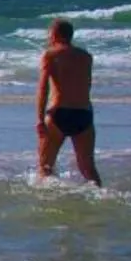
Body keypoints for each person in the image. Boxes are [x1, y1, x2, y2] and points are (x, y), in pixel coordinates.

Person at [36, 17, 102, 186]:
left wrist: (39, 119)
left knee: (45, 167)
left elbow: (43, 88)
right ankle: (101, 196)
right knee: (88, 169)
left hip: (59, 113)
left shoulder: (50, 55)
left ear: (54, 34)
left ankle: (45, 204)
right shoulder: (86, 57)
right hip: (84, 114)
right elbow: (85, 85)